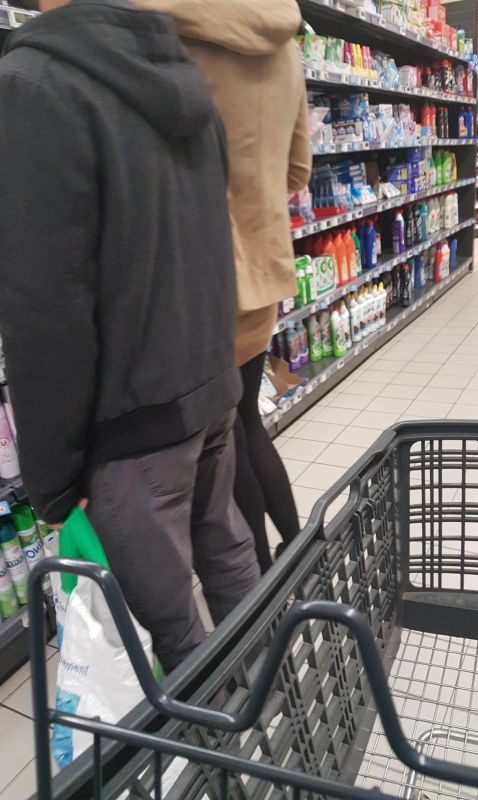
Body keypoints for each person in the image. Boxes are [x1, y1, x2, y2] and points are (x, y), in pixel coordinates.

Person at [0, 0, 260, 672]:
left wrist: (53, 481)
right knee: (232, 563)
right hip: (209, 390)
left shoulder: (34, 85)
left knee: (171, 636)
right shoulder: (182, 71)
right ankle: (281, 703)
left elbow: (45, 307)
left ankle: (217, 734)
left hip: (133, 428)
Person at [132, 0, 313, 573]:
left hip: (196, 273)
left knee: (225, 437)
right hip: (262, 263)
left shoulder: (163, 35)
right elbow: (298, 171)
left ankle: (259, 587)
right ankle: (301, 550)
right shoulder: (286, 44)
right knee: (246, 424)